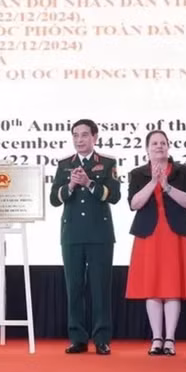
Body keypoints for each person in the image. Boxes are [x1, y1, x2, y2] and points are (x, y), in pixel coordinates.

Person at [50, 119, 121, 355]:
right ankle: (77, 337)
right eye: (75, 136)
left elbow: (114, 195)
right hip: (72, 234)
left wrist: (89, 183)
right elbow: (54, 198)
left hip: (100, 234)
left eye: (84, 135)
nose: (79, 140)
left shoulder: (107, 163)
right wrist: (70, 185)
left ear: (94, 137)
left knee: (100, 287)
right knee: (75, 287)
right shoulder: (64, 165)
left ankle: (102, 338)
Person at [126, 130, 186, 356]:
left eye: (163, 143)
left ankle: (170, 339)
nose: (159, 146)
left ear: (168, 146)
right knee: (153, 288)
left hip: (174, 234)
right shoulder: (138, 173)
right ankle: (156, 338)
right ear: (147, 148)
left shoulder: (182, 171)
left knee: (173, 287)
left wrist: (167, 186)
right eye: (154, 143)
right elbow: (134, 204)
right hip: (149, 235)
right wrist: (154, 182)